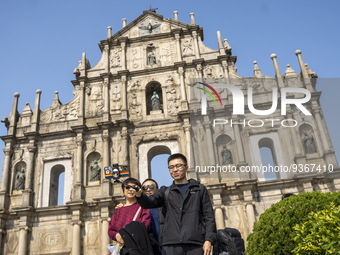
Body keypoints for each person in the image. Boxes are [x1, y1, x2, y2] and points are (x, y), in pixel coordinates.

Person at [136, 153, 216, 255]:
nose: (175, 170)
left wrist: (209, 240)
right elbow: (148, 203)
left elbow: (209, 217)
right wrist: (139, 196)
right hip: (170, 244)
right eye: (171, 167)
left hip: (195, 243)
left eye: (178, 166)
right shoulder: (165, 191)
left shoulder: (199, 189)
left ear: (186, 167)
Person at [108, 177, 152, 254]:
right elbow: (111, 229)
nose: (131, 189)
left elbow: (145, 225)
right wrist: (117, 236)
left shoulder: (143, 207)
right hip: (121, 249)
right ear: (123, 190)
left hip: (137, 249)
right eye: (127, 187)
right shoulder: (118, 210)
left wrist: (126, 236)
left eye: (134, 187)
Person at [142, 178, 162, 255]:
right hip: (148, 248)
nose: (148, 189)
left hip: (165, 246)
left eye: (151, 186)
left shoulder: (165, 205)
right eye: (144, 187)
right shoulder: (139, 208)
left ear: (157, 189)